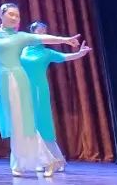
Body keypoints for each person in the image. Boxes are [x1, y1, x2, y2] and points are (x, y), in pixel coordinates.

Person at [0, 0, 81, 177]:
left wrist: (65, 40)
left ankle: (41, 161)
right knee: (15, 123)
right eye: (11, 14)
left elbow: (44, 39)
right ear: (1, 15)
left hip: (16, 79)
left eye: (17, 15)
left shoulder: (21, 37)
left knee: (22, 122)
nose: (15, 18)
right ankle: (27, 162)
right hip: (1, 81)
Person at [21, 20, 92, 172]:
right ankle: (40, 160)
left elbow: (66, 57)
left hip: (39, 89)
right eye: (40, 30)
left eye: (45, 30)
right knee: (28, 125)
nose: (43, 32)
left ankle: (56, 160)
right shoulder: (23, 50)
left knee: (43, 123)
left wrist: (80, 53)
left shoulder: (47, 53)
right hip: (24, 89)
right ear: (32, 31)